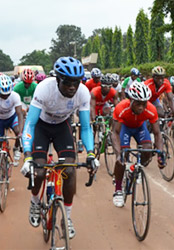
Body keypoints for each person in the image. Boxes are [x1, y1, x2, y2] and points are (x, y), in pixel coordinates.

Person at [20, 57, 99, 239]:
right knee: (38, 172)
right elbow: (30, 124)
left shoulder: (83, 93)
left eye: (76, 82)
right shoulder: (44, 88)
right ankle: (34, 202)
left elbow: (86, 127)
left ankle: (67, 218)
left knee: (70, 171)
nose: (72, 87)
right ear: (57, 79)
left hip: (62, 127)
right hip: (41, 126)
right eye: (67, 82)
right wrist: (27, 156)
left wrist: (91, 153)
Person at [111, 82, 165, 207]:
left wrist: (160, 154)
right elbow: (115, 133)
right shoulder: (121, 108)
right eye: (138, 103)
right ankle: (118, 190)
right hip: (125, 127)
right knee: (122, 158)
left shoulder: (151, 109)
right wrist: (118, 154)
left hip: (140, 128)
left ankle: (134, 169)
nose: (141, 107)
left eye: (144, 103)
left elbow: (157, 134)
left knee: (147, 151)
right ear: (130, 100)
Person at [0, 74, 24, 162]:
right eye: (2, 95)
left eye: (7, 94)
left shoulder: (15, 96)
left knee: (18, 131)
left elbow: (20, 114)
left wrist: (20, 133)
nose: (5, 96)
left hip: (11, 117)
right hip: (0, 120)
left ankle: (16, 148)